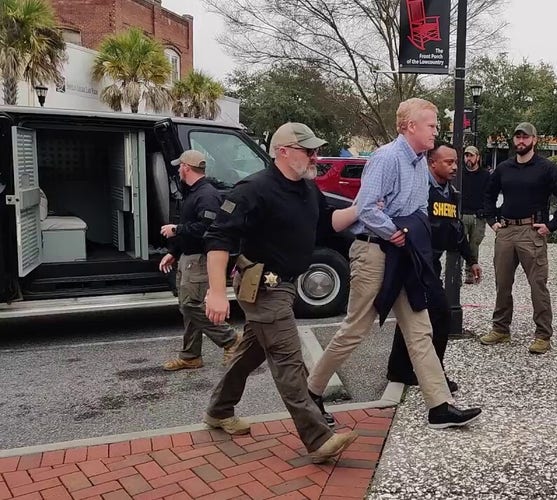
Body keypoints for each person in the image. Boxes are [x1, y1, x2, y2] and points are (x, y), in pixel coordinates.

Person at [306, 98, 482, 429]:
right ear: (410, 126)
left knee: (419, 328)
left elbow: (416, 211)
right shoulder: (386, 159)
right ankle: (311, 390)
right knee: (356, 328)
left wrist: (402, 228)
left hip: (402, 253)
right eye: (431, 125)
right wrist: (393, 230)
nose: (436, 130)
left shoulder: (418, 163)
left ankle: (440, 406)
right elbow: (368, 209)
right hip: (374, 252)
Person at [202, 122, 360, 463]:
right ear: (283, 151)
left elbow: (327, 223)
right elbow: (218, 239)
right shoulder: (252, 190)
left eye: (316, 150)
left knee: (250, 354)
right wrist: (215, 293)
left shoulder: (306, 188)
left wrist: (363, 206)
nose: (316, 156)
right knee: (289, 361)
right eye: (309, 150)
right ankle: (318, 438)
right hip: (262, 287)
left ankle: (218, 410)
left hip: (286, 285)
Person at [386, 140, 482, 392]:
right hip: (414, 263)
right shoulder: (419, 190)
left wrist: (471, 259)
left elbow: (456, 229)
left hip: (431, 265)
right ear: (432, 163)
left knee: (414, 315)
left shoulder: (449, 192)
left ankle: (399, 370)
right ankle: (434, 376)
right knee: (440, 315)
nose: (454, 167)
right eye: (448, 162)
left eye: (456, 162)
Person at [480, 122, 557, 354]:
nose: (520, 142)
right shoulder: (504, 168)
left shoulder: (547, 168)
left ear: (534, 140)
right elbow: (488, 196)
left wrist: (551, 226)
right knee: (502, 284)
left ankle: (543, 335)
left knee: (537, 286)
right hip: (506, 232)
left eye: (525, 138)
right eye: (517, 138)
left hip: (531, 233)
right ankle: (501, 328)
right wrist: (493, 221)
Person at [158, 150, 240, 371]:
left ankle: (231, 339)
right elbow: (190, 228)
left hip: (201, 260)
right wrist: (174, 252)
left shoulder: (207, 195)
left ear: (186, 167)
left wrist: (177, 229)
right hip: (188, 257)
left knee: (191, 305)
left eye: (179, 166)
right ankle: (191, 356)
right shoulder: (193, 193)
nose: (177, 170)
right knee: (187, 308)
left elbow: (208, 229)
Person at [460, 145, 490, 284]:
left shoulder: (485, 175)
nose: (468, 158)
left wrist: (485, 210)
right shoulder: (459, 174)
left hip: (478, 216)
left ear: (477, 157)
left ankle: (470, 273)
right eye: (466, 155)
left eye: (471, 155)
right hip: (461, 214)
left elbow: (489, 195)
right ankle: (454, 273)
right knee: (459, 244)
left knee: (474, 245)